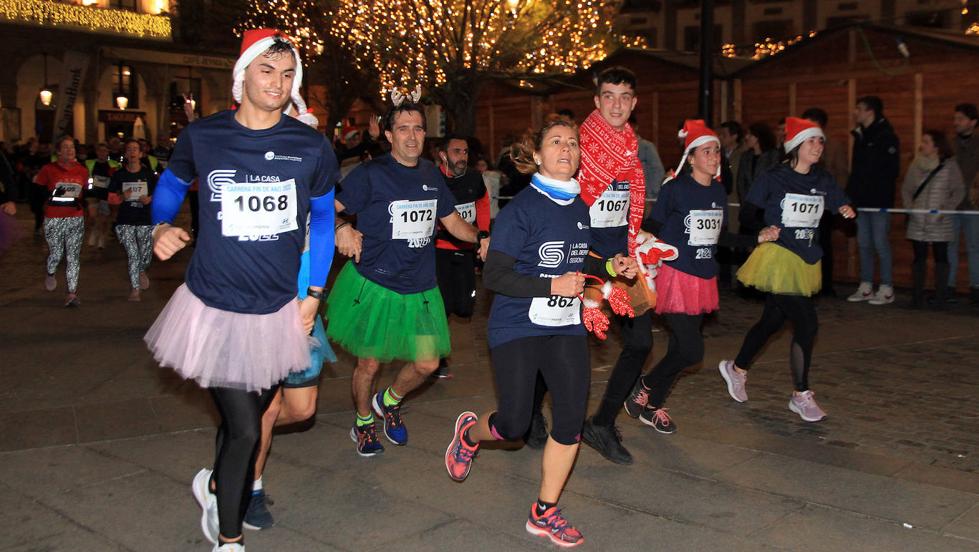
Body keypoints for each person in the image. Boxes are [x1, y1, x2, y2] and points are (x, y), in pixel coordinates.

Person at [143, 29, 337, 551]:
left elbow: (321, 223)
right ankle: (229, 541)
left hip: (277, 313)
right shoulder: (204, 137)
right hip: (213, 308)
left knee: (238, 427)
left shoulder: (309, 145)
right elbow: (169, 183)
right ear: (243, 75)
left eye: (288, 73)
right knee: (248, 431)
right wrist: (160, 226)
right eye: (267, 71)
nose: (278, 83)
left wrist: (314, 293)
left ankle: (215, 486)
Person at [444, 118, 631, 548]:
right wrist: (550, 286)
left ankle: (544, 511)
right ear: (539, 155)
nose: (566, 149)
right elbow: (494, 274)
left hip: (564, 326)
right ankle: (470, 434)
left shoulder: (580, 208)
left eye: (573, 143)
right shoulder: (522, 210)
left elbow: (577, 265)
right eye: (556, 142)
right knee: (514, 426)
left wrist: (608, 269)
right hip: (516, 325)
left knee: (569, 420)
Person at [328, 98, 488, 457]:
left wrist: (481, 236)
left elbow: (451, 222)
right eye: (403, 128)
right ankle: (364, 423)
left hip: (420, 286)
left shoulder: (431, 173)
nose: (412, 135)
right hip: (375, 283)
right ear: (388, 135)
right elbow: (326, 207)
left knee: (428, 363)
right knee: (369, 363)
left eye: (418, 128)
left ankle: (388, 402)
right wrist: (341, 227)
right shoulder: (371, 174)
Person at [719, 117, 855, 422]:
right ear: (795, 145)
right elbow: (750, 213)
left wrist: (845, 208)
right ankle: (801, 394)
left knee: (772, 321)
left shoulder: (822, 179)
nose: (818, 146)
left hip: (805, 258)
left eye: (820, 141)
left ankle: (736, 368)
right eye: (811, 141)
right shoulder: (774, 177)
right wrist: (765, 228)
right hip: (778, 256)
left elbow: (838, 201)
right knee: (807, 323)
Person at [623, 120, 726, 434]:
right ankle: (647, 384)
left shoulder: (720, 190)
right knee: (692, 351)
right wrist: (639, 241)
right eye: (706, 151)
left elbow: (719, 235)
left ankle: (651, 404)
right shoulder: (676, 189)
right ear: (691, 158)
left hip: (704, 277)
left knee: (680, 349)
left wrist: (757, 238)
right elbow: (654, 223)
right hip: (677, 276)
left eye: (717, 150)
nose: (714, 156)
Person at [569, 66, 647, 465]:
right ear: (597, 101)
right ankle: (528, 414)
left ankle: (600, 424)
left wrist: (638, 242)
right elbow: (566, 211)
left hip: (622, 261)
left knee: (641, 342)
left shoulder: (635, 149)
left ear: (633, 104)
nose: (617, 104)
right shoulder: (577, 147)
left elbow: (629, 209)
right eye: (609, 95)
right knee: (565, 346)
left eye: (625, 96)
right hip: (580, 261)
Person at [433, 134, 491, 378]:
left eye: (465, 152)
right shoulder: (433, 179)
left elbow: (483, 203)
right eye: (457, 152)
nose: (463, 157)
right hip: (440, 251)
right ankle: (438, 358)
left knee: (465, 309)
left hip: (467, 250)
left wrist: (484, 234)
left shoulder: (474, 178)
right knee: (443, 307)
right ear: (443, 155)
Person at [846, 96, 900, 305]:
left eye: (858, 109)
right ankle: (866, 285)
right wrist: (850, 196)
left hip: (879, 201)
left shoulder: (886, 136)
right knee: (864, 244)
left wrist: (877, 193)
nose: (855, 112)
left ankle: (887, 287)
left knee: (880, 243)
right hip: (861, 201)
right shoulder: (859, 136)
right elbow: (857, 170)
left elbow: (890, 171)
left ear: (870, 111)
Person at [902, 130, 965, 308]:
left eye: (926, 141)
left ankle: (940, 296)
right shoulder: (915, 165)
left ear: (937, 146)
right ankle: (917, 296)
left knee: (941, 257)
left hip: (940, 220)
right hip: (918, 219)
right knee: (918, 258)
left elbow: (959, 190)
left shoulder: (950, 166)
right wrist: (911, 209)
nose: (922, 145)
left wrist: (946, 210)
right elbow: (907, 189)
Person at [35, 135, 89, 307]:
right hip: (54, 217)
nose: (69, 150)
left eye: (72, 147)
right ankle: (50, 271)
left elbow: (86, 192)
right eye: (65, 147)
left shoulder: (82, 170)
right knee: (56, 253)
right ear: (58, 151)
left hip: (75, 216)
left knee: (73, 256)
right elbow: (36, 192)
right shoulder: (48, 170)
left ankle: (72, 293)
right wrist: (46, 202)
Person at [801, 107, 848, 297]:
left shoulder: (833, 145)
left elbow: (842, 173)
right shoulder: (801, 144)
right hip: (803, 204)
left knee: (824, 245)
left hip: (824, 204)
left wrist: (834, 199)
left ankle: (824, 284)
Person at [108, 139, 156, 302]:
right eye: (129, 149)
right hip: (125, 220)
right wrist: (122, 196)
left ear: (141, 154)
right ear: (126, 154)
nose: (133, 152)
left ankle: (141, 270)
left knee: (145, 255)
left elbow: (159, 194)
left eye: (136, 149)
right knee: (133, 255)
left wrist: (150, 199)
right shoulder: (119, 175)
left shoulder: (148, 175)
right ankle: (135, 289)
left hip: (144, 219)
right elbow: (110, 197)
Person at [948, 103, 979, 303]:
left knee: (974, 247)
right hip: (952, 204)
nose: (956, 123)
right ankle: (948, 287)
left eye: (960, 119)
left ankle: (976, 288)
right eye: (955, 118)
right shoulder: (950, 145)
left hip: (974, 206)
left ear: (973, 122)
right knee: (949, 246)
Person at [84, 143, 119, 251]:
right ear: (97, 152)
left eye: (105, 151)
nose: (102, 153)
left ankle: (101, 239)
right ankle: (94, 231)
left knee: (104, 218)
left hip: (106, 195)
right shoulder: (89, 163)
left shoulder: (114, 164)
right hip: (92, 193)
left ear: (108, 152)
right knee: (93, 216)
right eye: (100, 151)